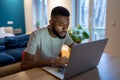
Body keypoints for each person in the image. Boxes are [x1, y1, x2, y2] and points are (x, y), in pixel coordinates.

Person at [21, 6, 74, 70]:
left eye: (67, 25)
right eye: (61, 25)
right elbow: (24, 65)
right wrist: (52, 61)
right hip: (37, 70)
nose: (65, 29)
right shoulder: (36, 35)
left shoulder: (64, 33)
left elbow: (76, 48)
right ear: (51, 22)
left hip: (54, 69)